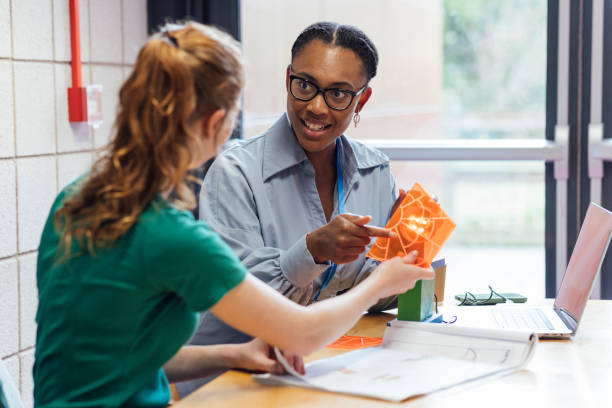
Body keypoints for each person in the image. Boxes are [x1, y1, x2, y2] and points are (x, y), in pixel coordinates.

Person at [33, 22, 433, 408]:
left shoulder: (75, 201)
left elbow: (125, 359)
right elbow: (304, 334)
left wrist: (235, 355)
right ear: (214, 122)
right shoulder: (174, 236)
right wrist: (382, 278)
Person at [180, 23, 408, 395]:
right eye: (304, 85)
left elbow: (375, 293)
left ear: (361, 100)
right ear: (288, 78)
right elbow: (246, 305)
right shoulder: (236, 172)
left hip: (321, 366)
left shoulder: (375, 172)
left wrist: (412, 249)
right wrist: (313, 250)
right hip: (234, 382)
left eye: (337, 93)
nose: (316, 106)